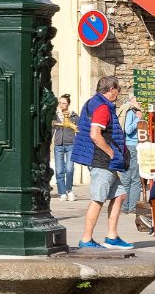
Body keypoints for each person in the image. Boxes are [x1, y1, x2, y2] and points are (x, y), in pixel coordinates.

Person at [73, 75, 129, 249]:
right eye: (118, 90)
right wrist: (112, 153)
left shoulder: (94, 102)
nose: (118, 94)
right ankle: (86, 239)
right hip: (101, 160)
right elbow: (95, 134)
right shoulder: (102, 107)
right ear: (111, 90)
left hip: (104, 162)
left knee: (119, 194)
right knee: (98, 199)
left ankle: (112, 236)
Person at [51, 94, 77, 200]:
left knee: (69, 169)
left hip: (70, 144)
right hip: (58, 145)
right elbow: (51, 129)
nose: (61, 105)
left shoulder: (73, 116)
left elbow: (78, 128)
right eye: (60, 103)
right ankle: (62, 192)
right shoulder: (55, 116)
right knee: (59, 170)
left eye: (64, 103)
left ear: (68, 104)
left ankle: (69, 190)